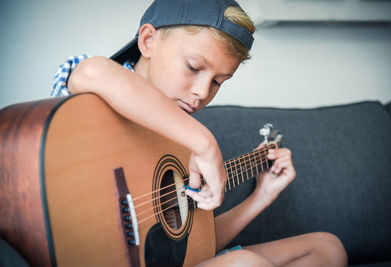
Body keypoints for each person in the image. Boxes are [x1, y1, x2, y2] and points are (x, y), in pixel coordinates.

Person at [52, 0, 347, 266]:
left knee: (327, 249)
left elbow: (193, 249)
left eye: (219, 81)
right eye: (193, 66)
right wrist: (205, 143)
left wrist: (262, 196)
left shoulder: (180, 142)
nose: (202, 93)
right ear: (148, 40)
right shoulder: (99, 100)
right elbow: (90, 71)